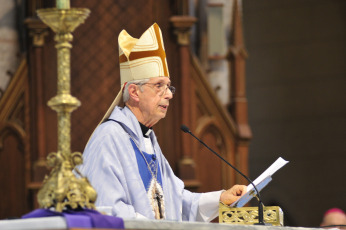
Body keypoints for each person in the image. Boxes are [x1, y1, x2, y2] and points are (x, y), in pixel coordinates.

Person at [76, 23, 246, 221]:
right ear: (133, 92)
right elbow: (105, 209)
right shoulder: (109, 137)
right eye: (159, 86)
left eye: (169, 87)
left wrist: (220, 198)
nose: (168, 95)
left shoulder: (148, 140)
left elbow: (176, 202)